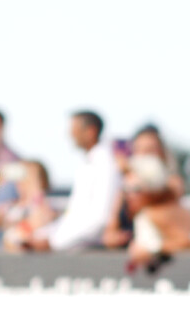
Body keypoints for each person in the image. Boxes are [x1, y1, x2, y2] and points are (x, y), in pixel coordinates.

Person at [101, 125, 190, 271]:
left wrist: (153, 249)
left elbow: (167, 191)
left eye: (150, 150)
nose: (143, 155)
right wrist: (114, 238)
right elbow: (110, 231)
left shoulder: (167, 193)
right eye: (139, 149)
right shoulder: (125, 188)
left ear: (161, 152)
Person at [31, 111, 121, 251]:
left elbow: (100, 219)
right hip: (74, 247)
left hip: (90, 252)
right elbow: (75, 215)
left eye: (74, 129)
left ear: (91, 131)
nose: (71, 135)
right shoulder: (90, 161)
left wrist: (54, 243)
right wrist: (41, 236)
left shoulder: (106, 163)